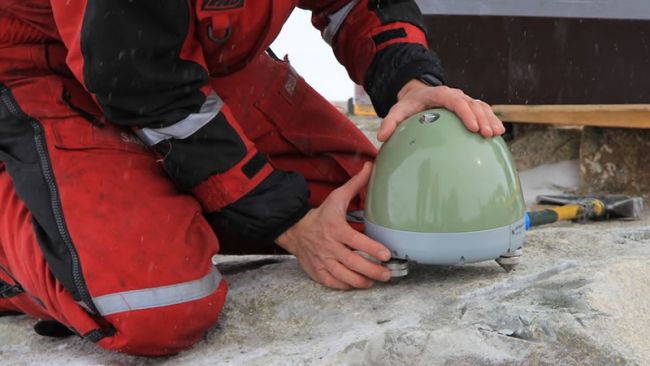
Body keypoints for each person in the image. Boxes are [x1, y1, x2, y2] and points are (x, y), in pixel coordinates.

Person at [0, 0, 504, 356]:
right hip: (43, 72)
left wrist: (409, 82)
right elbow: (136, 79)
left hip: (194, 61)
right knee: (158, 305)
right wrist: (285, 220)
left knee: (375, 213)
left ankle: (151, 202)